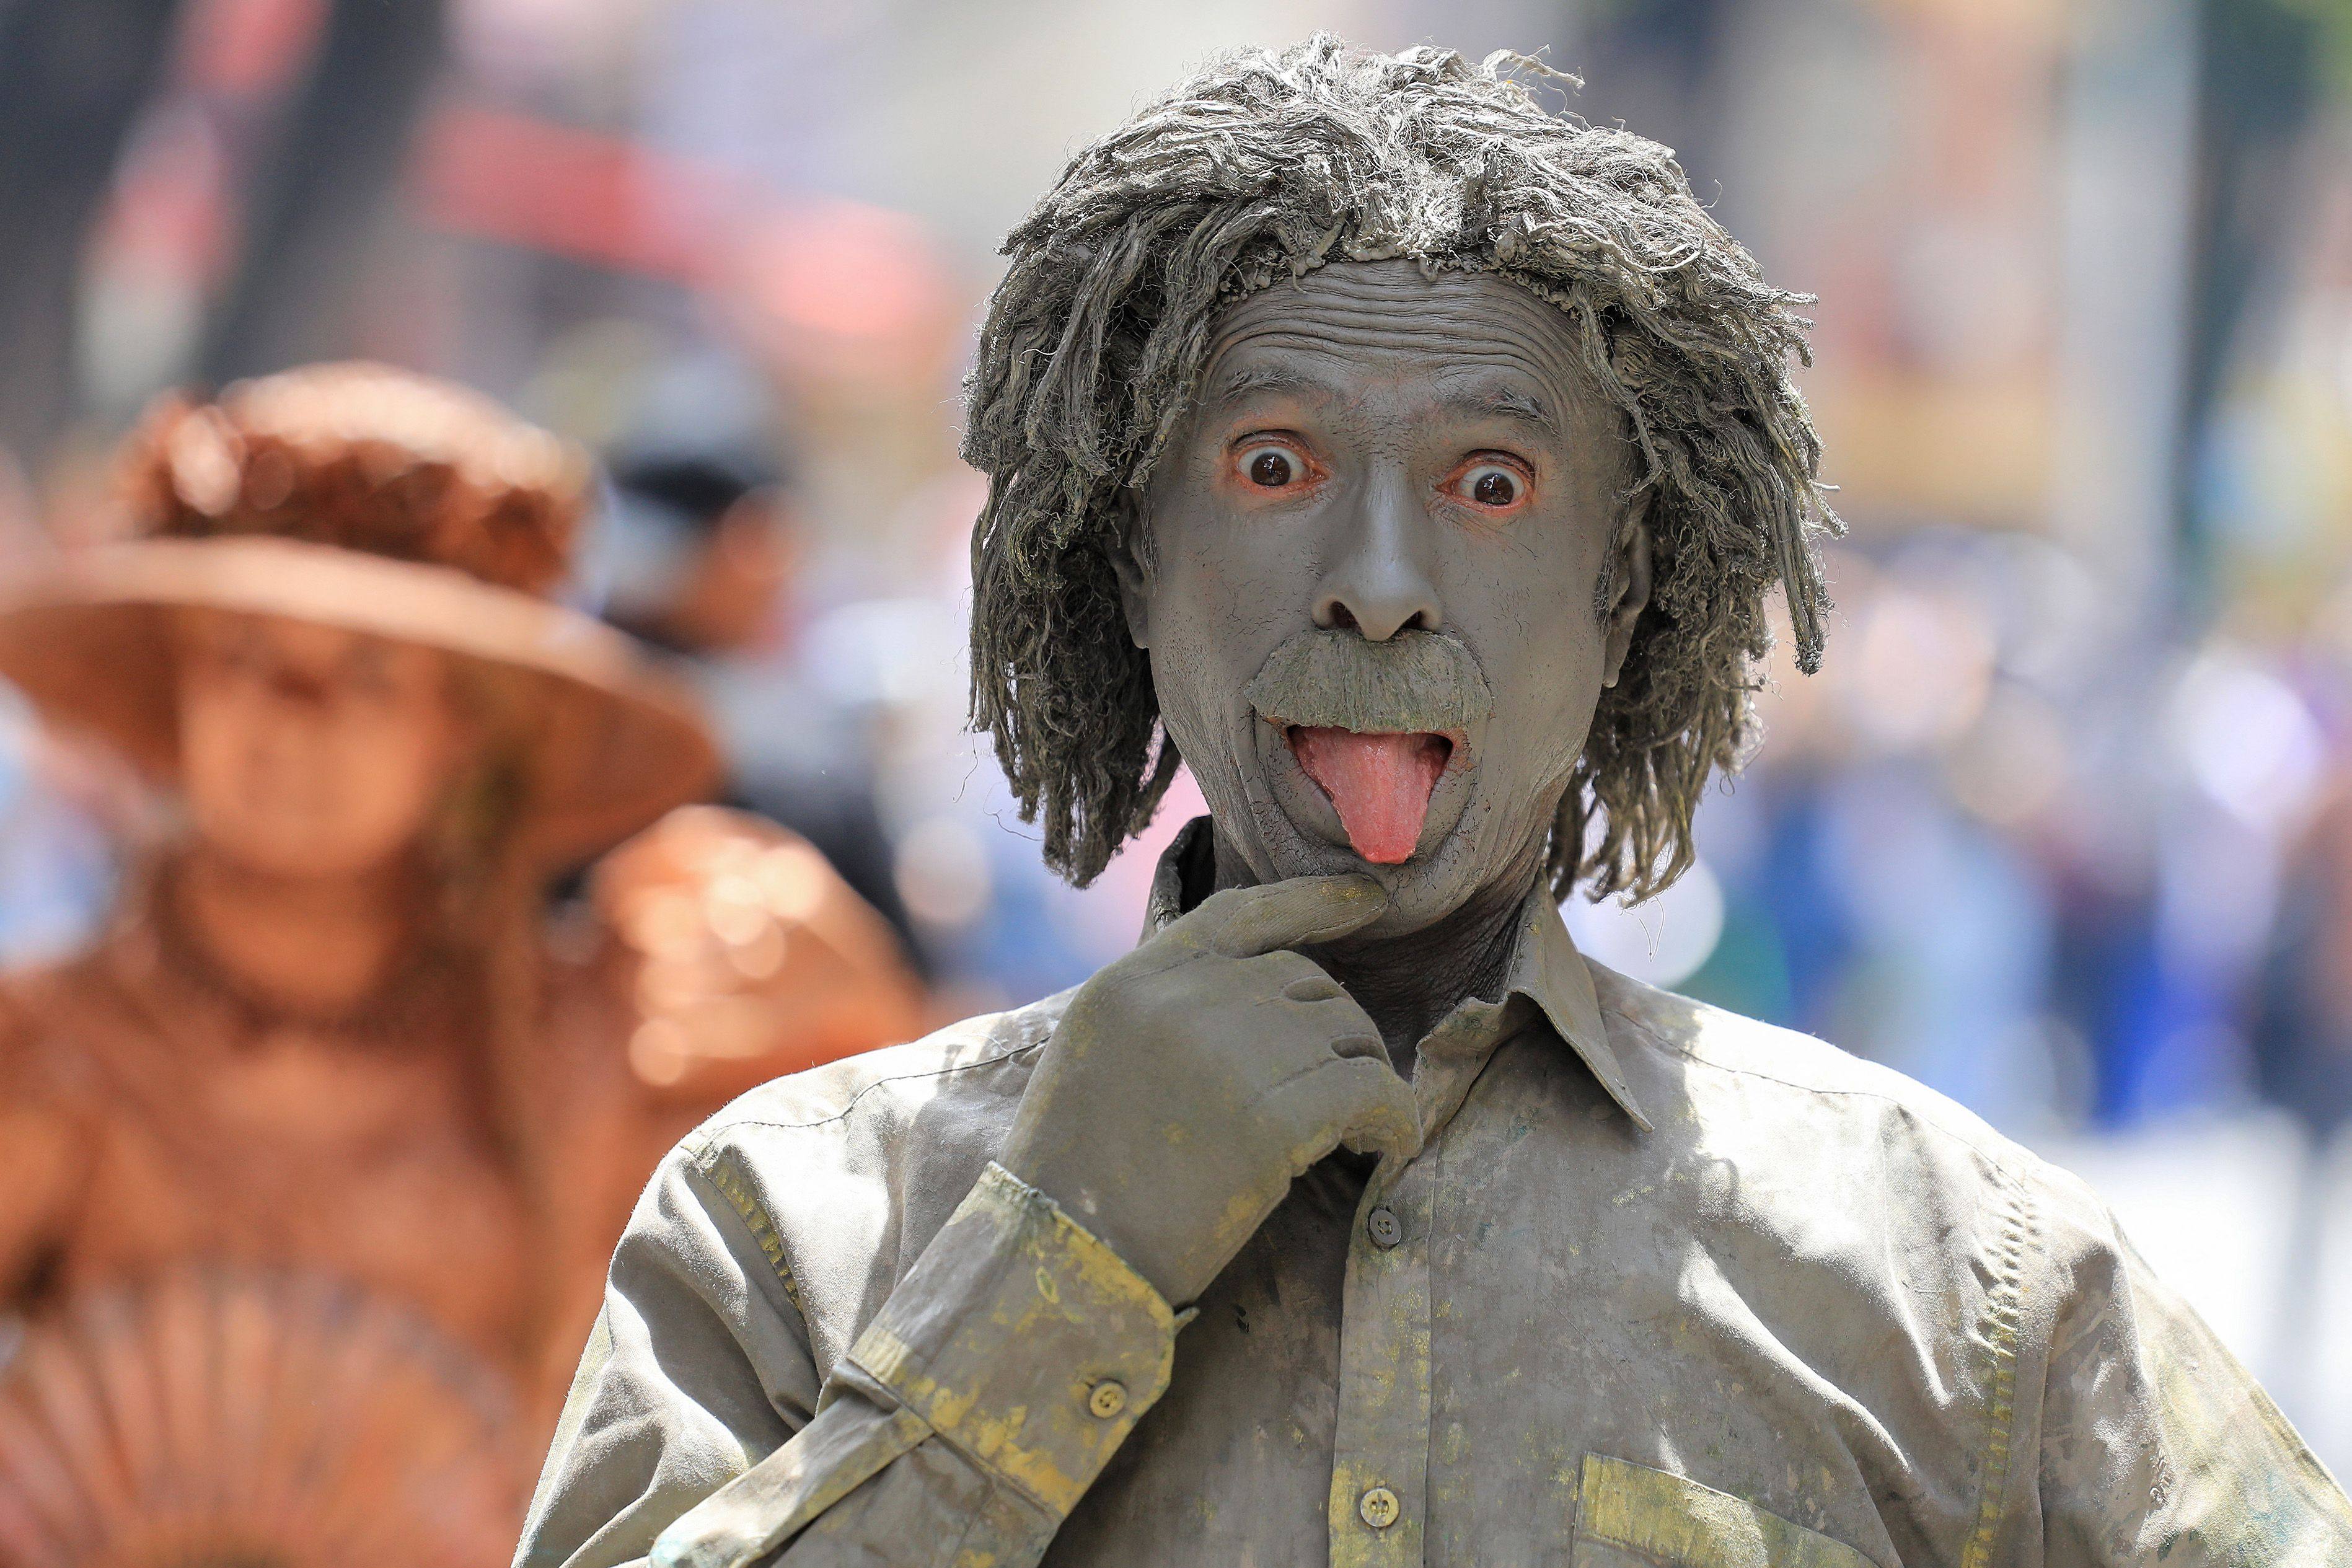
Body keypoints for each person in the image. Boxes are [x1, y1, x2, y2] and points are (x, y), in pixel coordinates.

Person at [517, 40, 2352, 1568]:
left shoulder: (1953, 1278)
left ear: (1620, 594)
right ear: (1130, 565)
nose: (1377, 581)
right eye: (1273, 462)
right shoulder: (791, 1224)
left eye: (1487, 480)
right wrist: (1054, 1259)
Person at [0, 364, 921, 1566]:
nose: (291, 713)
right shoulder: (59, 1053)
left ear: (470, 730)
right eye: (238, 652)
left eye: (373, 671)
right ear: (177, 687)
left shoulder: (605, 1048)